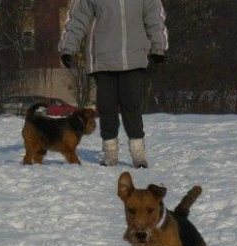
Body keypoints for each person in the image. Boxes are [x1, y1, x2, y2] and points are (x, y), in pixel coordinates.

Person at [58, 0, 168, 168]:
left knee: (132, 105)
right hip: (103, 58)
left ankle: (138, 154)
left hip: (133, 58)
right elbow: (78, 18)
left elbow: (154, 16)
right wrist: (68, 47)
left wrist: (158, 46)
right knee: (107, 107)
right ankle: (110, 153)